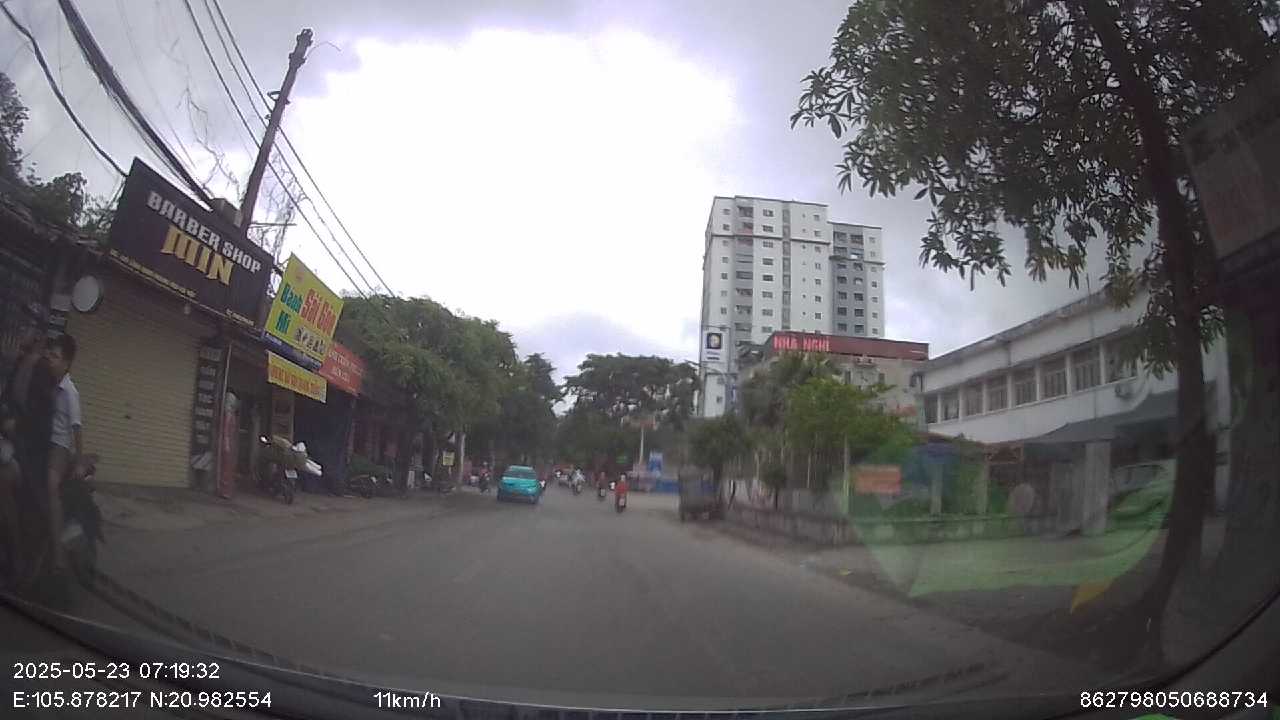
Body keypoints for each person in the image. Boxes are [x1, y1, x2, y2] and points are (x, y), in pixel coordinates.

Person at [44, 334, 81, 571]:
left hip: (60, 447)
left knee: (51, 485)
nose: (50, 359)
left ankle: (58, 552)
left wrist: (78, 462)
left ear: (66, 363)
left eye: (55, 356)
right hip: (45, 443)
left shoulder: (69, 391)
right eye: (49, 354)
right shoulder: (48, 384)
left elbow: (77, 428)